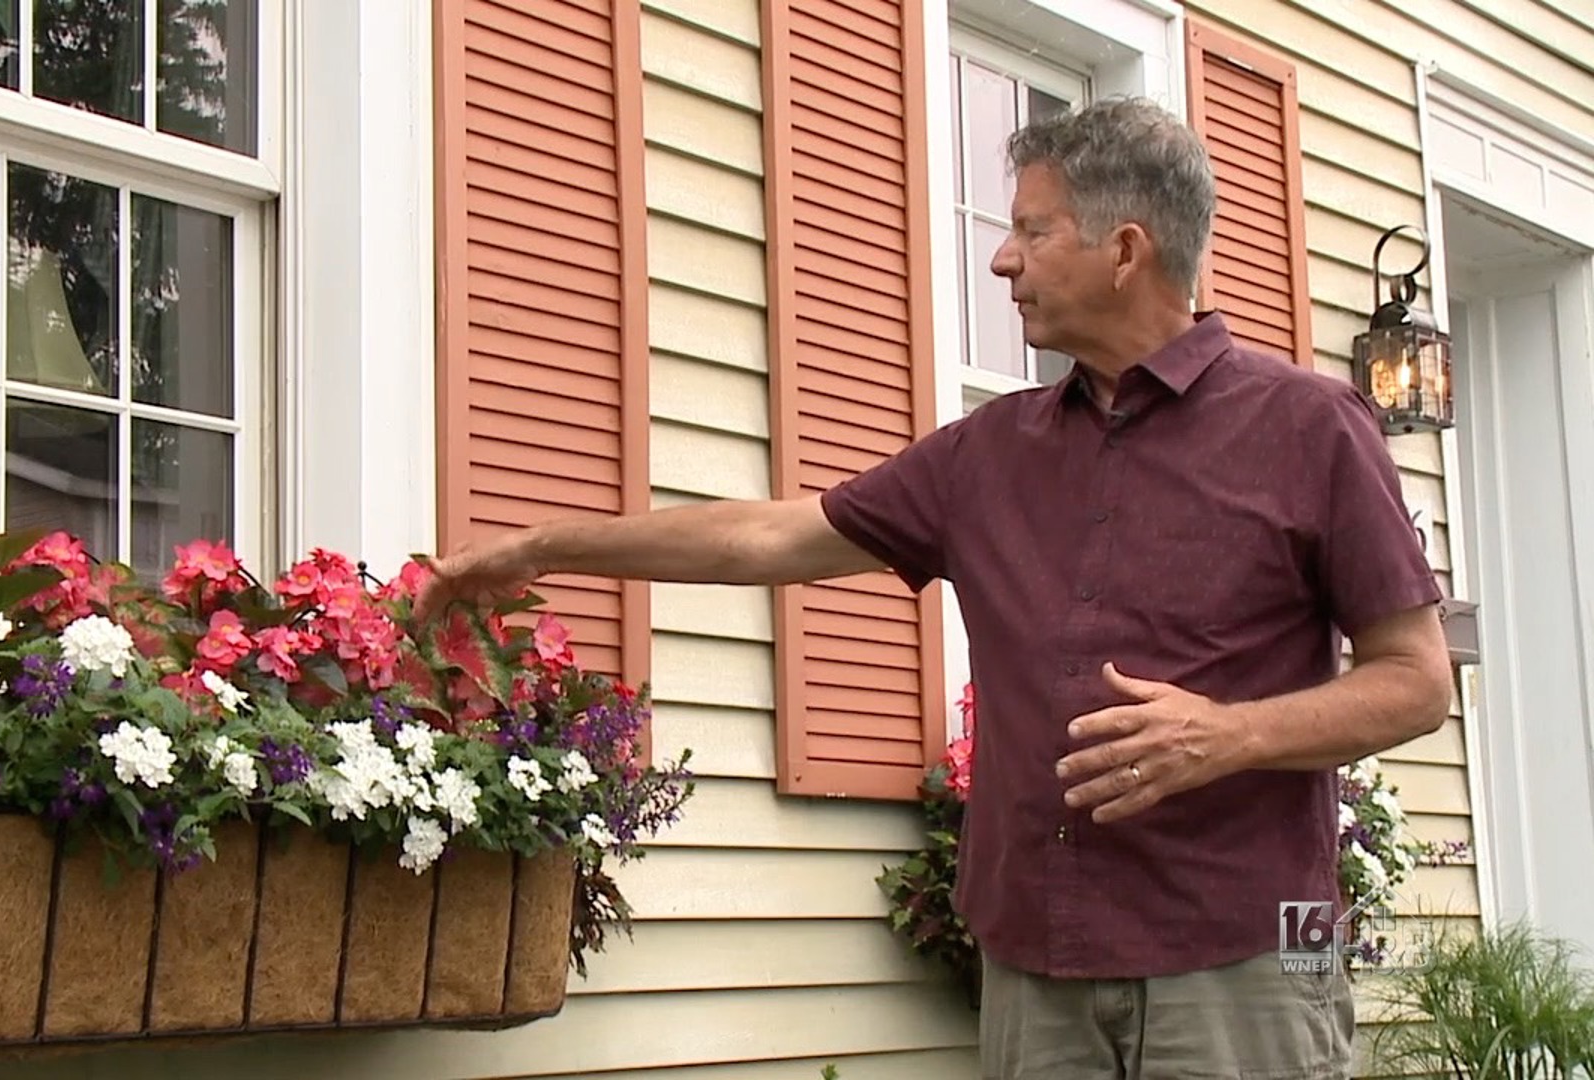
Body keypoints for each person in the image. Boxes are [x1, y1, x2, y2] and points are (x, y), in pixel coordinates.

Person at [415, 97, 1450, 1078]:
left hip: (1245, 963)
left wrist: (1230, 736)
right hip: (1037, 961)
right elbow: (764, 539)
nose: (1002, 259)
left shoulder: (1309, 427)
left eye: (1032, 232)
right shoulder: (986, 456)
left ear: (1125, 249)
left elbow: (1415, 680)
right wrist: (543, 545)